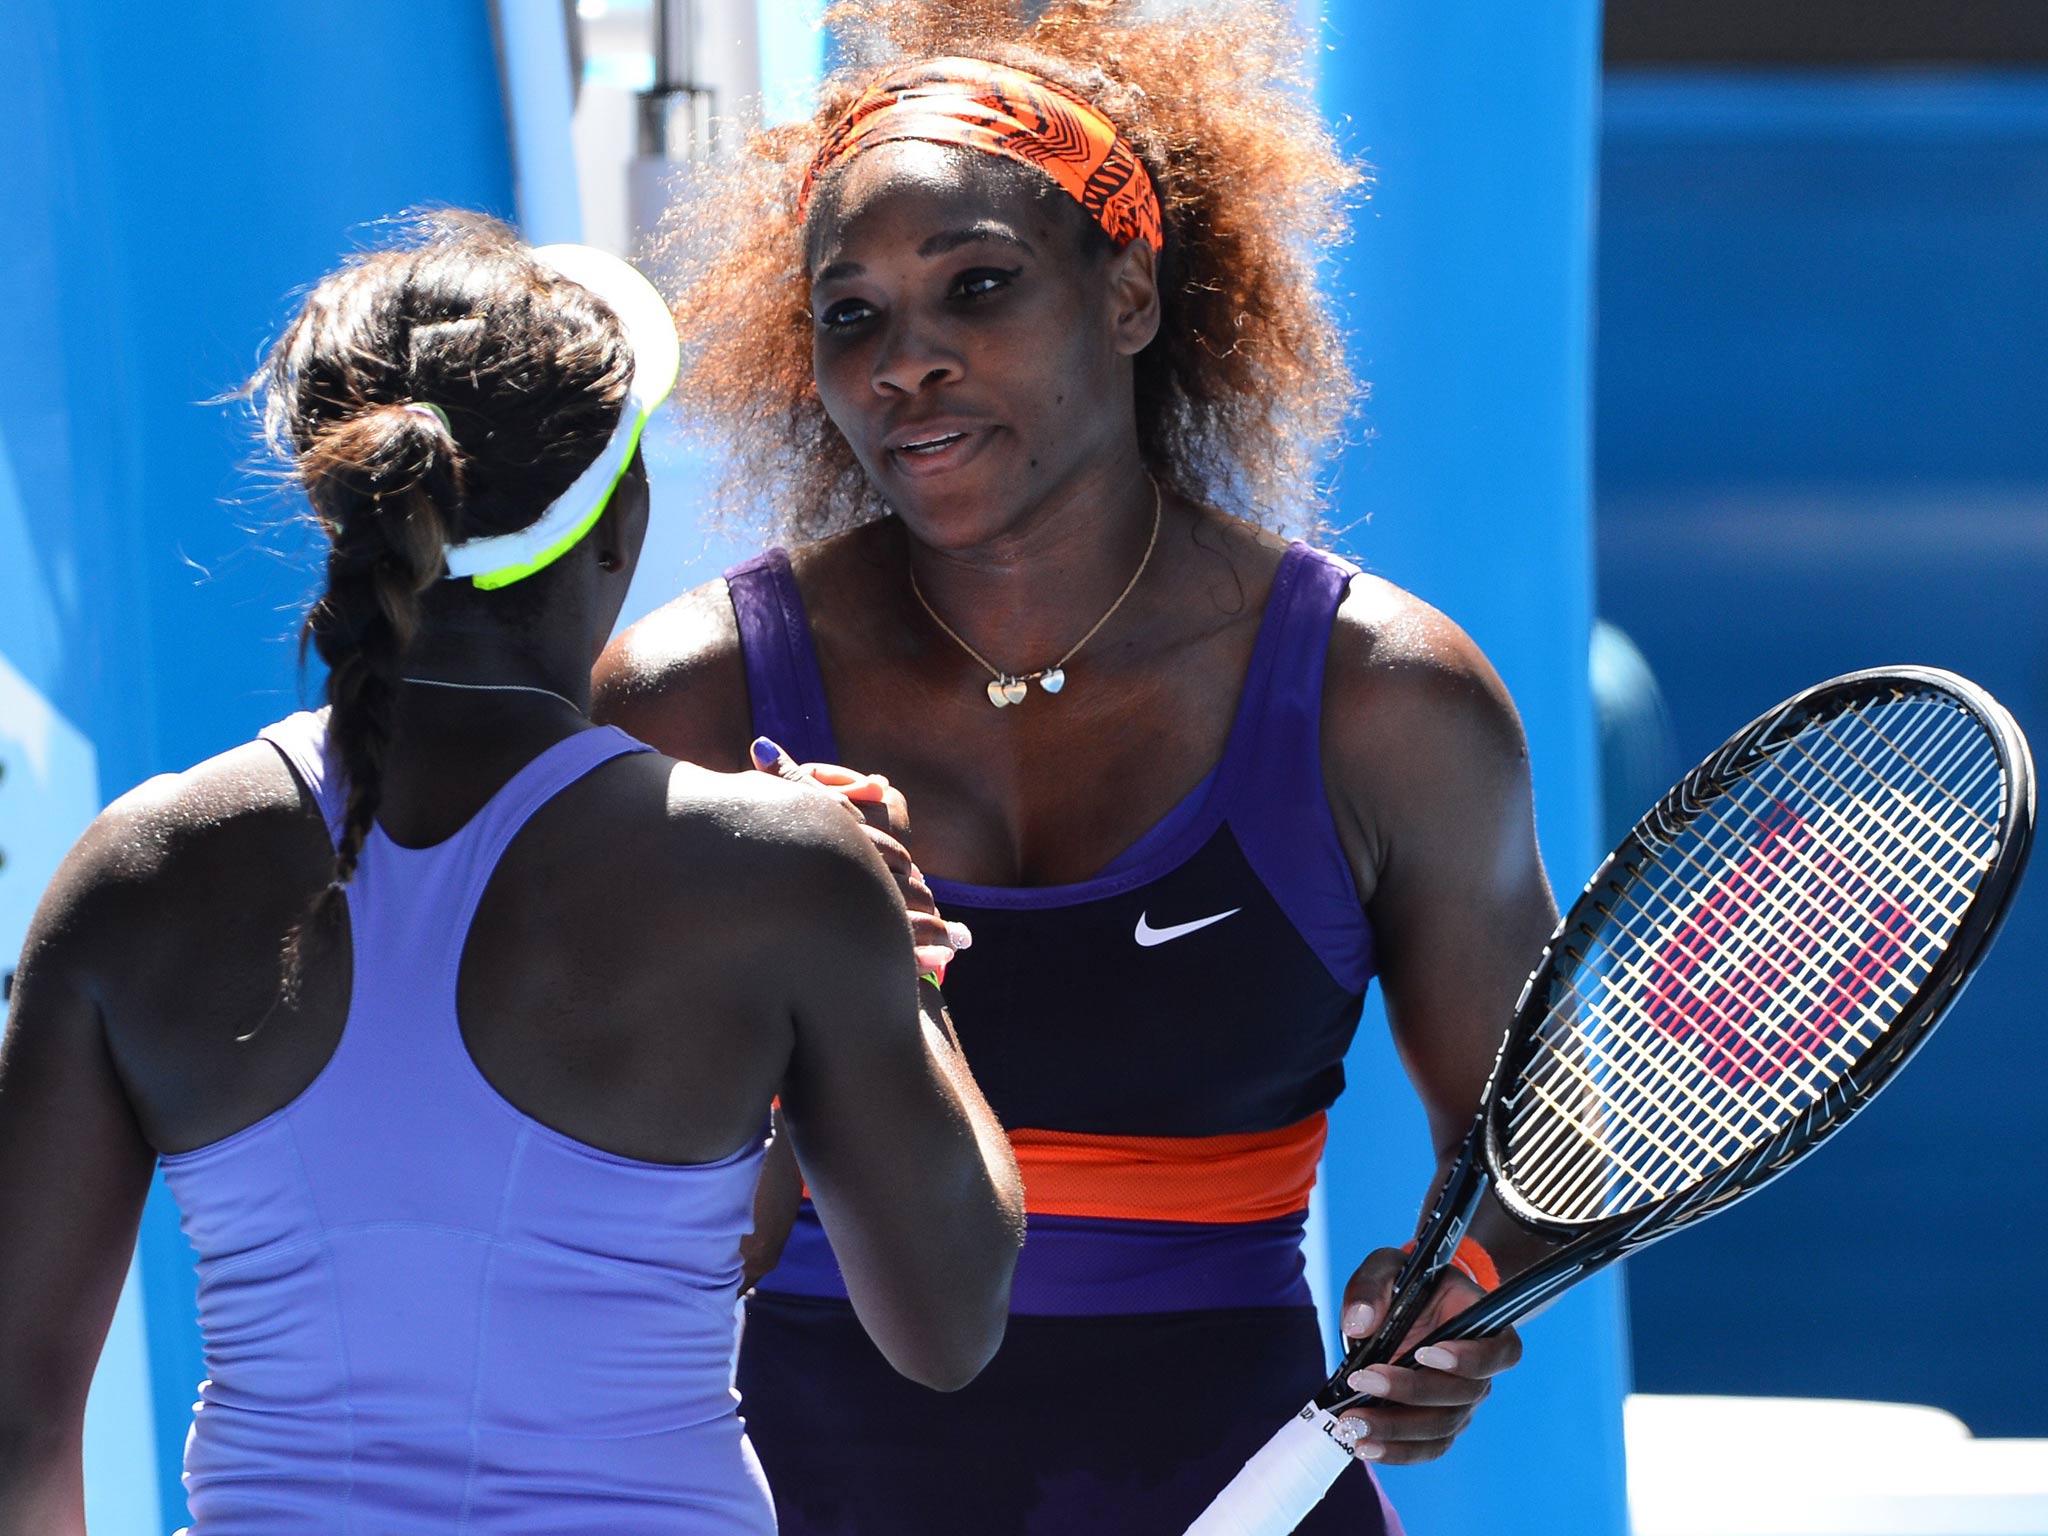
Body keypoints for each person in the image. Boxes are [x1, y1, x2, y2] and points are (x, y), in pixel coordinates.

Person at [594, 3, 1551, 1532]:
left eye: (977, 286)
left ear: (1129, 295)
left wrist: (1462, 1299)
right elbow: (612, 1219)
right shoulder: (686, 700)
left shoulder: (1388, 703)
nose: (905, 363)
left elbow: (1528, 1145)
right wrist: (816, 1001)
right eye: (850, 314)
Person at [0, 213, 1022, 1536]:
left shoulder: (135, 871)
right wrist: (899, 951)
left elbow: (18, 1422)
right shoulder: (774, 874)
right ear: (621, 525)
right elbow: (951, 1326)